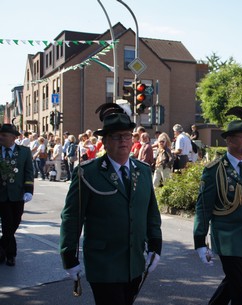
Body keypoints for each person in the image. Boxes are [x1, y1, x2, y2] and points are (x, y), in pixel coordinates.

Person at [59, 104, 162, 305]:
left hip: (134, 263)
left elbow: (151, 211)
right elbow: (72, 216)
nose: (123, 141)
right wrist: (68, 254)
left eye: (126, 135)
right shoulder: (87, 173)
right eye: (116, 136)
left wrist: (155, 243)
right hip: (104, 264)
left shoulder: (142, 171)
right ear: (105, 141)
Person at [193, 108, 242, 305]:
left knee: (232, 286)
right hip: (227, 239)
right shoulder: (214, 171)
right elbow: (203, 208)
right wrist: (200, 241)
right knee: (241, 295)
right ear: (229, 140)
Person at [0, 123, 34, 266]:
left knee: (15, 222)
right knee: (7, 223)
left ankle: (2, 249)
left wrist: (28, 191)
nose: (1, 137)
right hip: (1, 194)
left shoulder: (24, 152)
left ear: (14, 138)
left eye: (4, 135)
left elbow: (29, 172)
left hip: (18, 194)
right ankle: (10, 255)